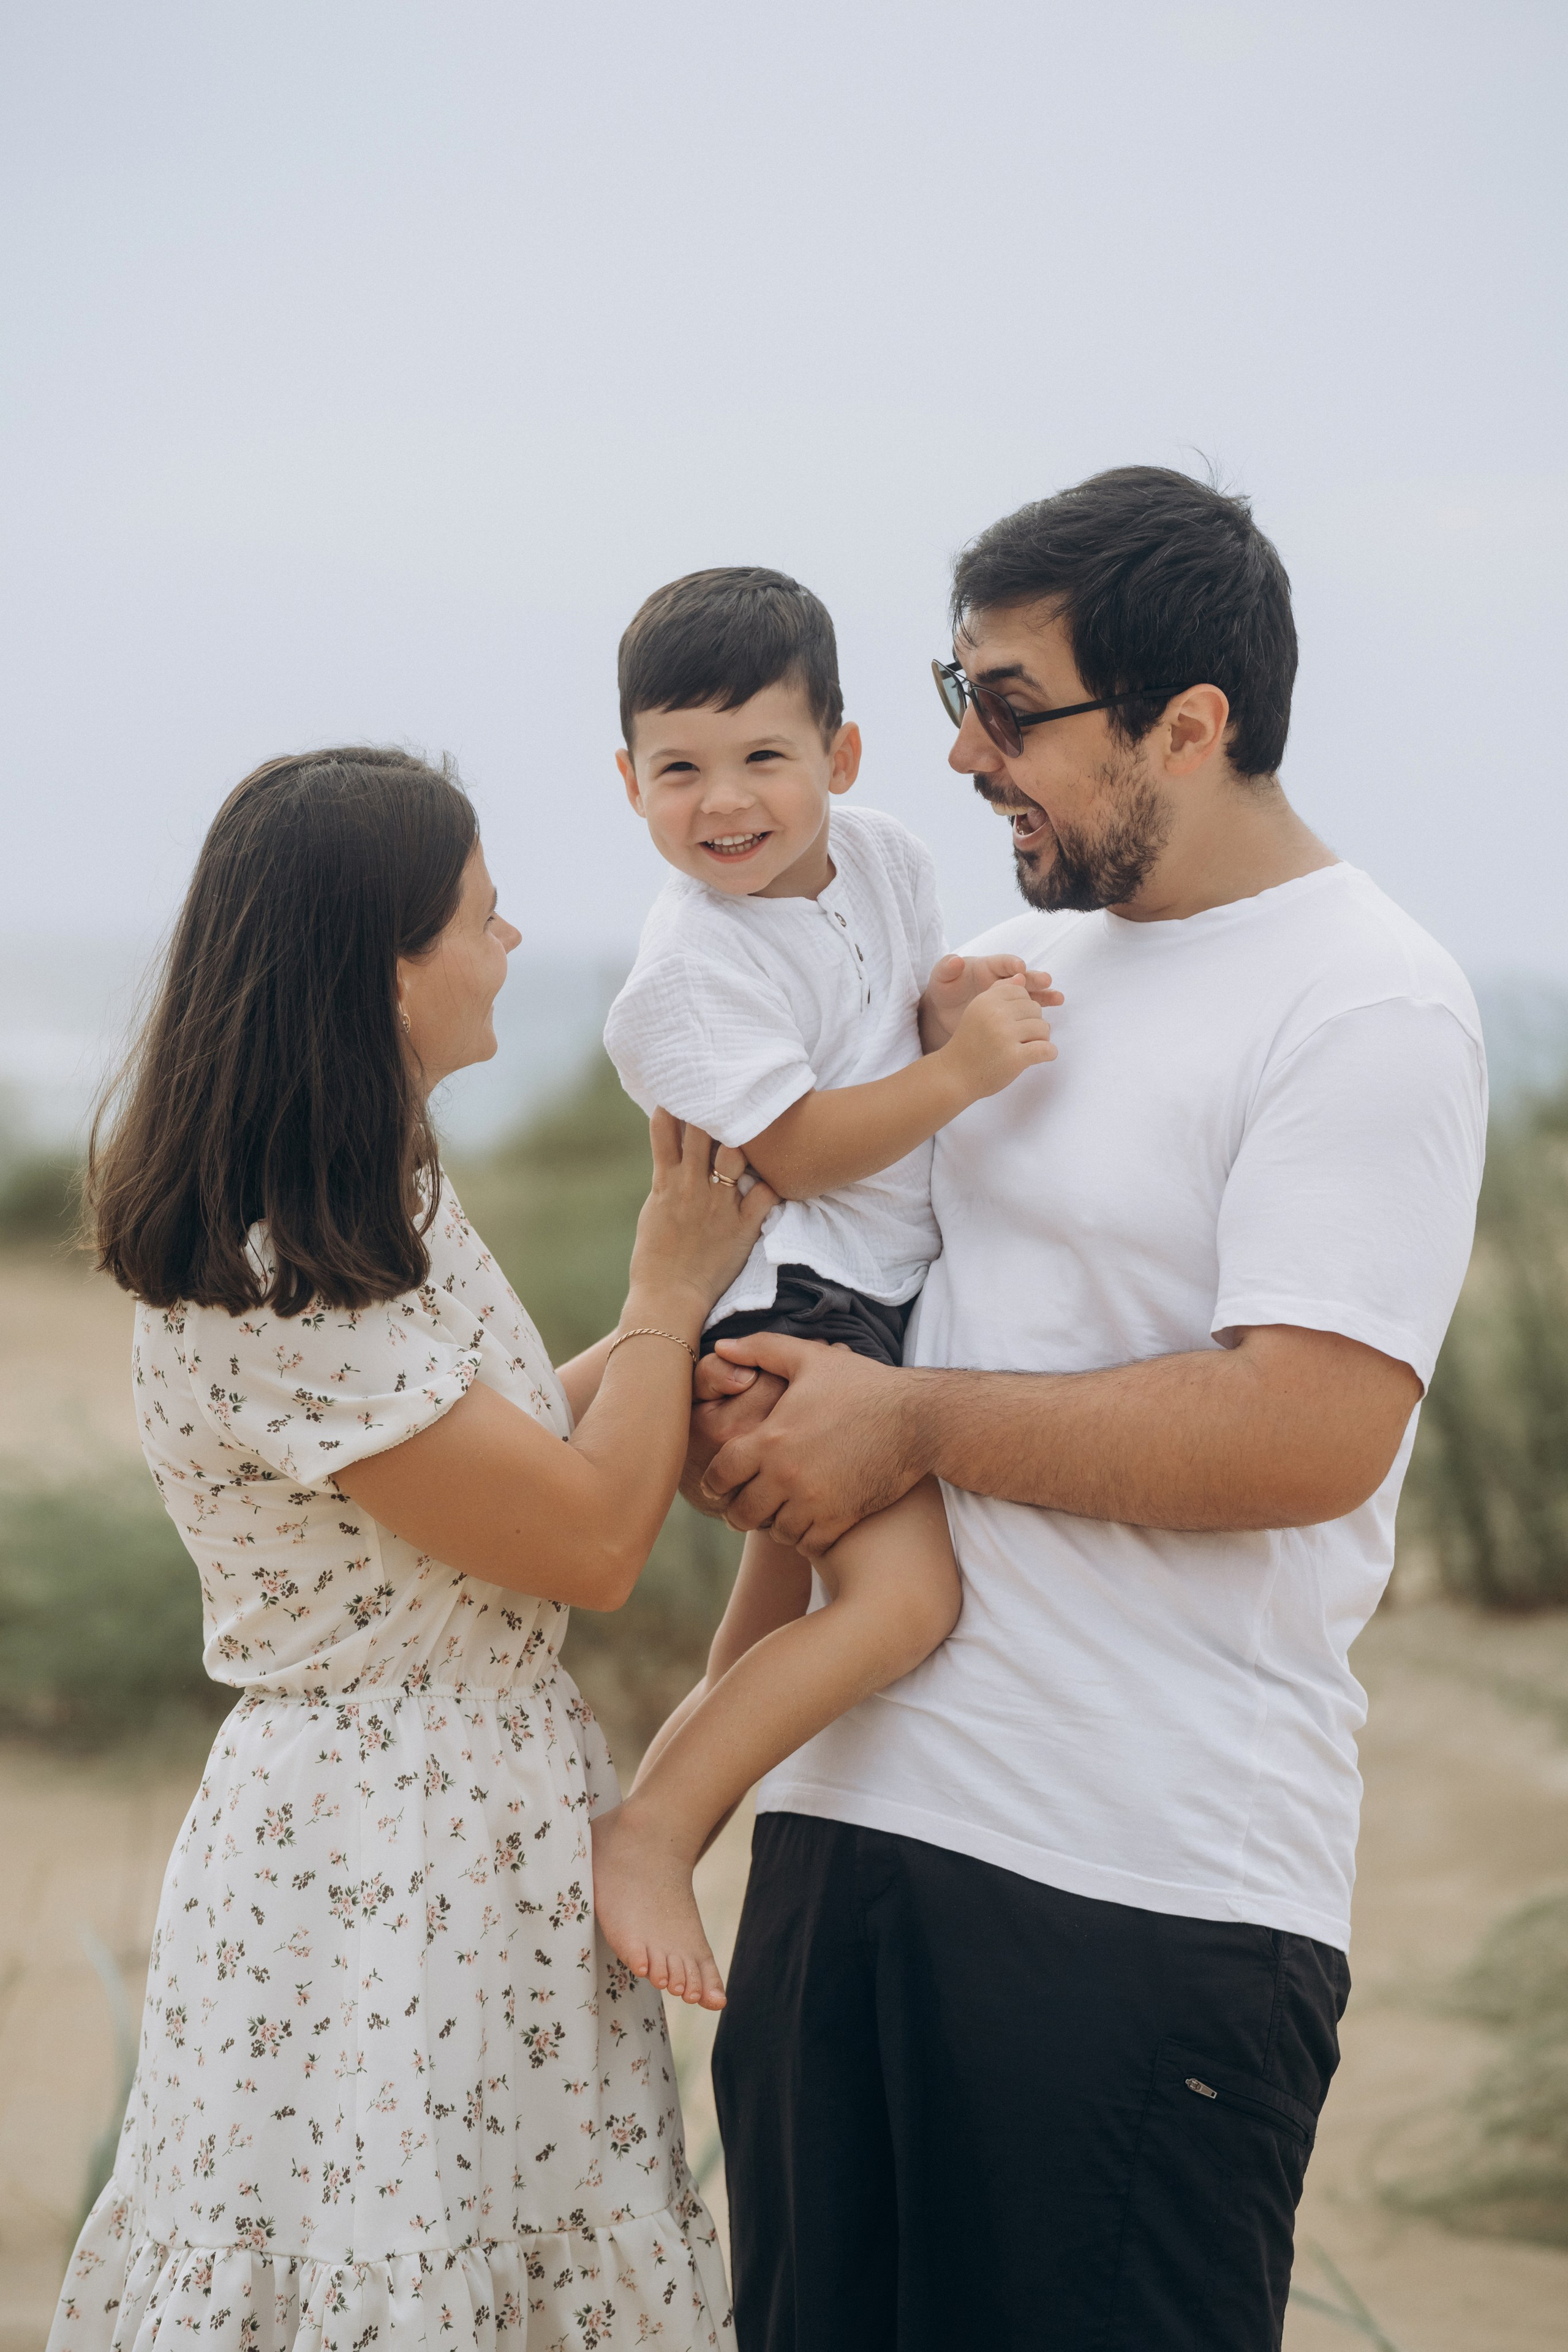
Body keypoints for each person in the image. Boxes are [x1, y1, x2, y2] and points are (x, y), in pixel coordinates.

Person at [687, 472, 1488, 2351]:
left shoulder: (1370, 1003)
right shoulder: (1019, 982)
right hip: (847, 1832)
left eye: (1015, 706)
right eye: (954, 691)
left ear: (1191, 726)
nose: (964, 754)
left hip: (1136, 1890)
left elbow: (1305, 1432)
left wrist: (905, 1425)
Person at [51, 748, 777, 2352]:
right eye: (484, 915)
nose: (511, 943)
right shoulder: (279, 1270)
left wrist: (682, 1350)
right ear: (384, 970)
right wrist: (666, 1295)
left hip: (469, 1822)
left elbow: (494, 1453)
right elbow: (585, 1539)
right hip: (385, 1860)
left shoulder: (373, 1198)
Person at [589, 568, 1060, 2011]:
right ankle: (652, 1833)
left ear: (837, 760)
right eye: (678, 768)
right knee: (904, 1598)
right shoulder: (685, 971)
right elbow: (792, 1145)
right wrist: (960, 1072)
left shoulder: (885, 857)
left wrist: (937, 1009)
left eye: (760, 760)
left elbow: (881, 1009)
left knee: (775, 1604)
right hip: (792, 1304)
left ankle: (677, 1814)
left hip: (879, 1290)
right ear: (628, 782)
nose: (721, 803)